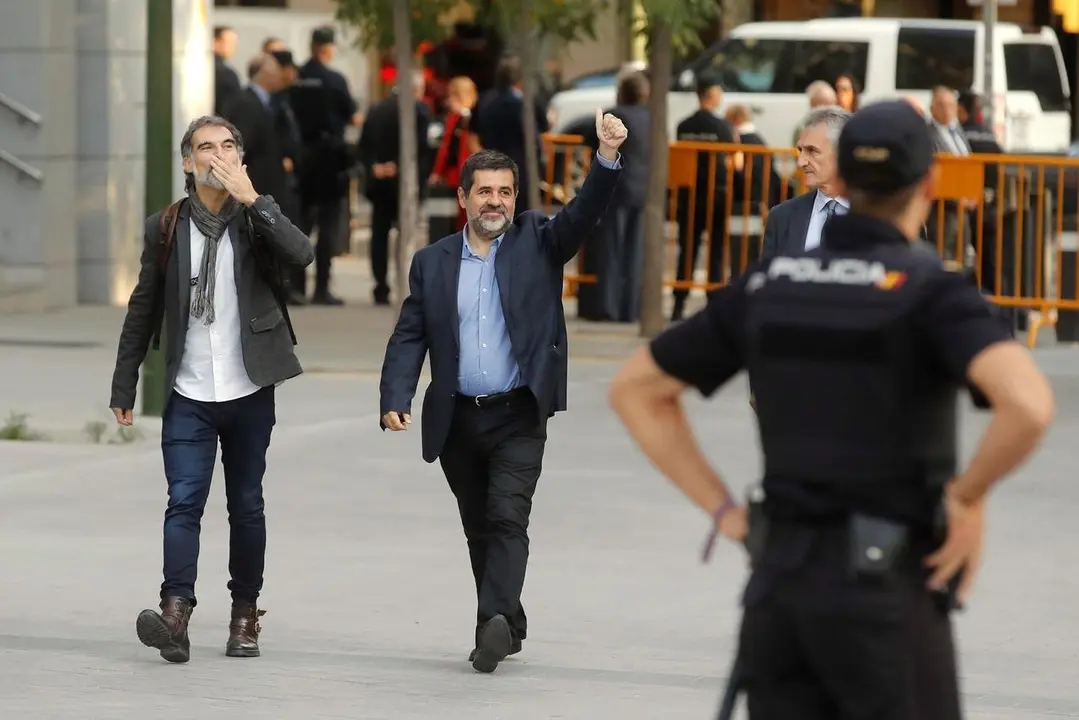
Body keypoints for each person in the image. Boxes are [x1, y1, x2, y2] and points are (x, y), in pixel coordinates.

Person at [608, 99, 1054, 719]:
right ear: (929, 182)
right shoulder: (930, 292)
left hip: (781, 590)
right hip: (886, 599)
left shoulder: (770, 284)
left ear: (841, 181)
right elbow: (1028, 405)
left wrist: (726, 512)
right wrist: (967, 497)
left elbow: (635, 389)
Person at [379, 110, 627, 674]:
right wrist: (396, 393)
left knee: (507, 518)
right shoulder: (433, 263)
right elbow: (410, 332)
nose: (496, 201)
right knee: (478, 528)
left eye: (506, 192)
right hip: (458, 419)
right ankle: (505, 624)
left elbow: (585, 213)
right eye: (485, 191)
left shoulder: (540, 241)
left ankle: (488, 625)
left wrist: (606, 156)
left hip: (519, 412)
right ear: (464, 198)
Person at [109, 116, 314, 664]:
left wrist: (256, 201)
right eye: (205, 148)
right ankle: (174, 615)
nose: (216, 155)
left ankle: (245, 615)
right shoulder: (166, 227)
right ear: (187, 162)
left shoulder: (256, 219)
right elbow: (143, 306)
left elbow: (303, 255)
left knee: (246, 505)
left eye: (227, 147)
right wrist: (124, 380)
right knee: (184, 502)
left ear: (239, 160)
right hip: (190, 390)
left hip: (250, 386)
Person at [761, 107, 851, 261]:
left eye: (812, 151)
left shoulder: (880, 217)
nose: (801, 161)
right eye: (800, 150)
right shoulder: (781, 217)